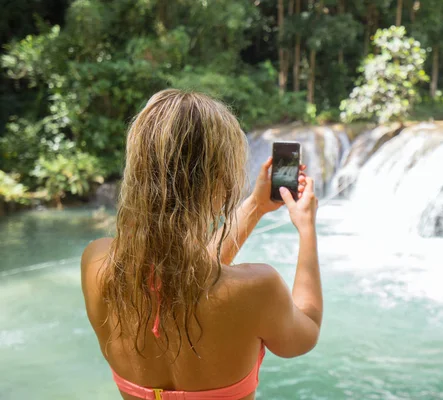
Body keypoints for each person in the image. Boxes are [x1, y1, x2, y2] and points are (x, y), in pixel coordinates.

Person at [81, 89, 322, 400]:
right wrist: (307, 229)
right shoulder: (258, 287)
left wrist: (255, 206)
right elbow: (307, 331)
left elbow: (186, 279)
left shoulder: (96, 262)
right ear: (221, 182)